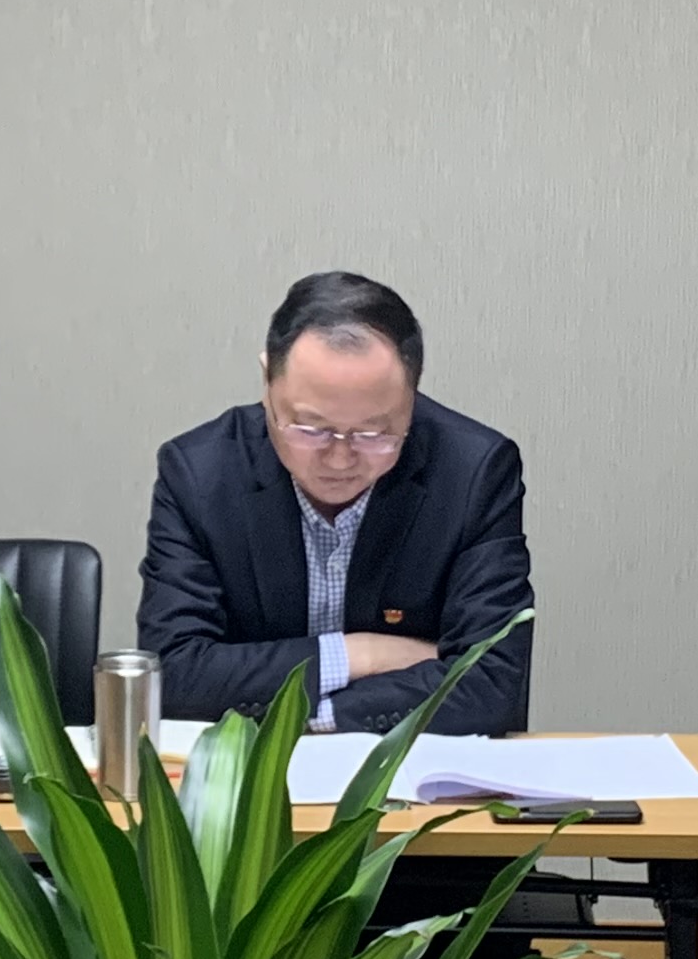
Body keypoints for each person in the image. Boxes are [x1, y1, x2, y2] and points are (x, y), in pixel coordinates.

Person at [140, 271, 532, 736]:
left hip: (406, 771)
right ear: (267, 382)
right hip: (247, 775)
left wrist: (318, 716)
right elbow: (174, 675)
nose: (340, 459)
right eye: (312, 429)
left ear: (412, 397)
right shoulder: (200, 475)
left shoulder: (473, 473)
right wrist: (359, 654)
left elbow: (493, 685)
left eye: (374, 434)